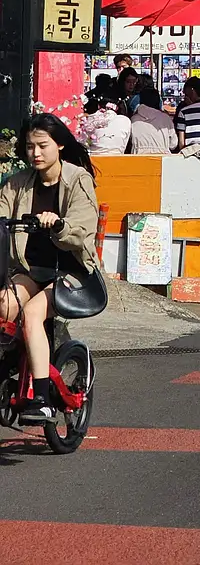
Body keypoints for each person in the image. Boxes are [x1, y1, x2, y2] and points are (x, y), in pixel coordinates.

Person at [0, 114, 100, 424]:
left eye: (42, 145)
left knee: (32, 315)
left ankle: (41, 398)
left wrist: (58, 224)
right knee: (4, 306)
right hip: (32, 268)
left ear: (59, 144)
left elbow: (83, 226)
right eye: (30, 147)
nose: (36, 153)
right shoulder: (17, 182)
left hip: (71, 272)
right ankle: (14, 366)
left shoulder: (77, 178)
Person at [80, 79, 132, 155]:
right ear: (117, 106)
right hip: (118, 160)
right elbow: (124, 145)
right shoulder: (125, 121)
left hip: (94, 160)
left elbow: (85, 143)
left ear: (99, 105)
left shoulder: (90, 119)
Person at [128, 83, 178, 155]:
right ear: (158, 102)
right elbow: (173, 145)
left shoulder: (133, 120)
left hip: (139, 160)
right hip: (163, 161)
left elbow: (129, 143)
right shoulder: (166, 118)